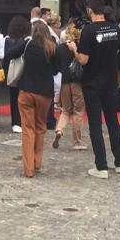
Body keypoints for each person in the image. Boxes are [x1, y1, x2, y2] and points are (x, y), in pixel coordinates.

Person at [70, 0, 120, 179]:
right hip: (110, 81)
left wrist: (73, 49)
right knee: (113, 122)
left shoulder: (88, 31)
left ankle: (101, 166)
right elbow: (117, 51)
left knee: (95, 124)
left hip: (92, 83)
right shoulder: (114, 28)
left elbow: (83, 60)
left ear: (89, 10)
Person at [6, 22, 59, 177]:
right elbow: (56, 69)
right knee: (40, 126)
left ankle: (28, 168)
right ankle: (37, 162)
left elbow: (9, 53)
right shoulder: (52, 47)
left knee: (28, 129)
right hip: (45, 92)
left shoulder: (28, 44)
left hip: (27, 90)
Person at [53, 20, 87, 151]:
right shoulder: (80, 47)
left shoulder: (60, 48)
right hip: (77, 82)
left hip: (64, 82)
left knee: (66, 110)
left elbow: (56, 66)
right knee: (78, 111)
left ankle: (59, 130)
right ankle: (77, 142)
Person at [3, 17, 29, 133]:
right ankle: (22, 121)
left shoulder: (6, 40)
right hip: (23, 71)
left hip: (12, 71)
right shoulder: (25, 41)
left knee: (13, 97)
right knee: (24, 98)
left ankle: (15, 122)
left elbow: (5, 56)